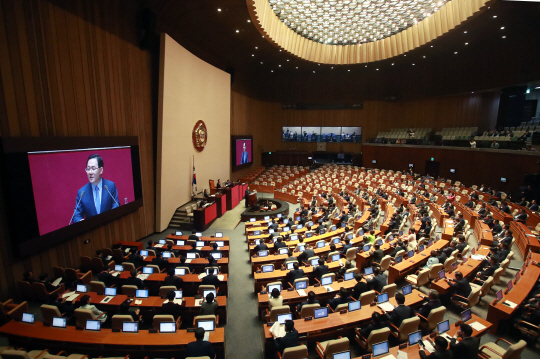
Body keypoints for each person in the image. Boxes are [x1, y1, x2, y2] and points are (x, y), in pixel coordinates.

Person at [72, 154, 119, 223]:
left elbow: (116, 207)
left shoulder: (110, 186)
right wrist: (81, 221)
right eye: (88, 169)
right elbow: (76, 216)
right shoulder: (82, 192)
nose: (90, 172)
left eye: (93, 169)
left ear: (101, 170)